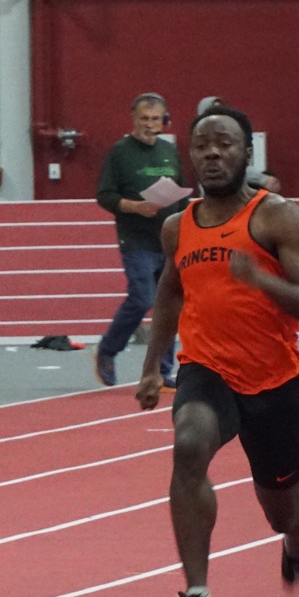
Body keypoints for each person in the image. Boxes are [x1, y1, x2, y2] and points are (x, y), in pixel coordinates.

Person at [135, 104, 299, 597]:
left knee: (281, 511)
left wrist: (262, 282)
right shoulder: (178, 226)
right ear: (190, 156)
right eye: (202, 146)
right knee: (189, 443)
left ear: (247, 152)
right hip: (206, 369)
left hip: (273, 381)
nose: (213, 154)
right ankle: (197, 595)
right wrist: (153, 366)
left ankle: (298, 532)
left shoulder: (278, 217)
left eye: (225, 144)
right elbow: (170, 292)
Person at [93, 93, 186, 388]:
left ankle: (163, 368)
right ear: (134, 119)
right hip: (136, 239)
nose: (149, 124)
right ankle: (108, 351)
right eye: (144, 119)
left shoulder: (169, 151)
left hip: (169, 239)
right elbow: (105, 196)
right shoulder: (120, 153)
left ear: (164, 120)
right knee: (142, 298)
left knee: (169, 304)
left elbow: (181, 188)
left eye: (155, 119)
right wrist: (136, 206)